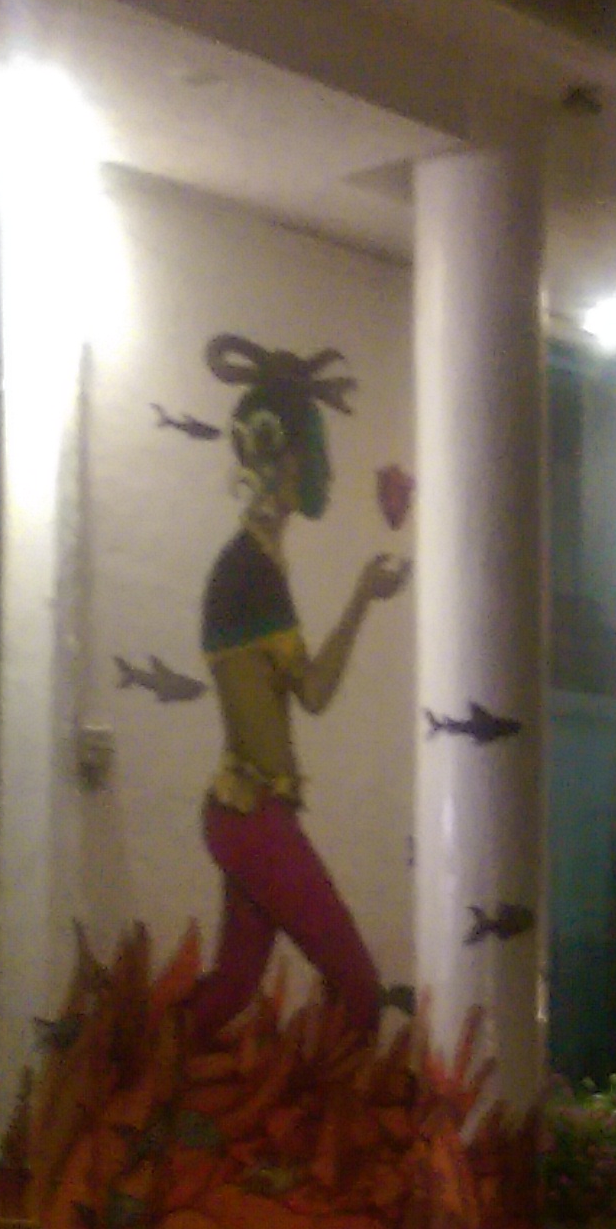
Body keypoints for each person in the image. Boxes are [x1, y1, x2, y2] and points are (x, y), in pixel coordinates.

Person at [184, 337, 409, 1047]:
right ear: (280, 459)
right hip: (254, 815)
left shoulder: (257, 564)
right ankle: (317, 1113)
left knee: (230, 990)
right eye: (315, 455)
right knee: (359, 990)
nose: (326, 473)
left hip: (246, 809)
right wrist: (363, 598)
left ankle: (139, 1079)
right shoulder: (248, 571)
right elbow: (312, 692)